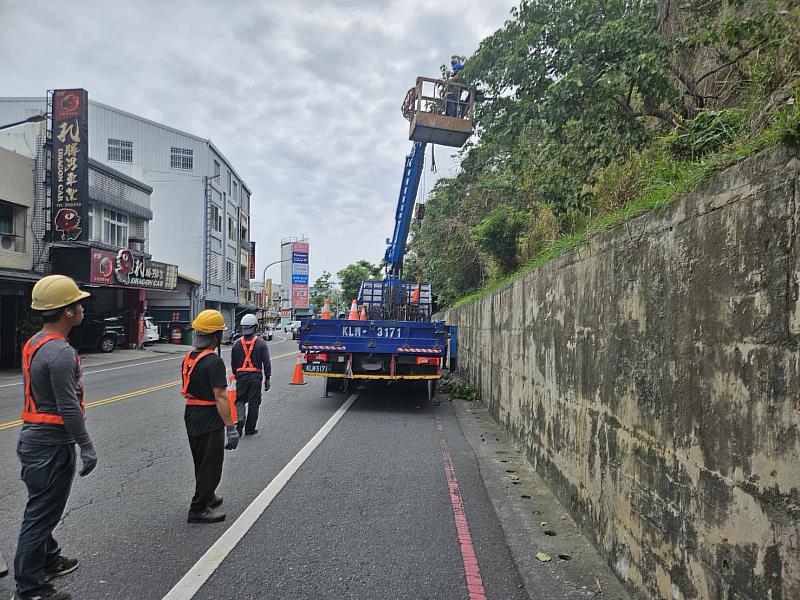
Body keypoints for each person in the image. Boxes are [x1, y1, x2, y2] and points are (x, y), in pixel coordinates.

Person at [14, 275, 97, 600]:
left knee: (42, 507)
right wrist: (86, 447)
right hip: (51, 444)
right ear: (67, 311)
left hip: (34, 441)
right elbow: (68, 406)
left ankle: (49, 558)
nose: (82, 307)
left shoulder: (35, 343)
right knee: (40, 514)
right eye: (78, 303)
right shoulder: (61, 354)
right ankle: (30, 588)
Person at [181, 310, 240, 524]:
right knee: (212, 464)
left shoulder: (190, 357)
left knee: (201, 460)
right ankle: (198, 509)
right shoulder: (213, 361)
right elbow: (221, 396)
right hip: (208, 415)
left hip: (191, 414)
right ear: (215, 336)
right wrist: (231, 427)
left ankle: (208, 496)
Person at [231, 314, 271, 436]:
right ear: (255, 327)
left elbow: (233, 363)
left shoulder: (236, 344)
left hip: (241, 376)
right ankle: (250, 429)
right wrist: (267, 378)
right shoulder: (261, 344)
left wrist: (236, 375)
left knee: (240, 400)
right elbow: (267, 363)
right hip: (255, 378)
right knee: (254, 403)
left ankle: (240, 419)